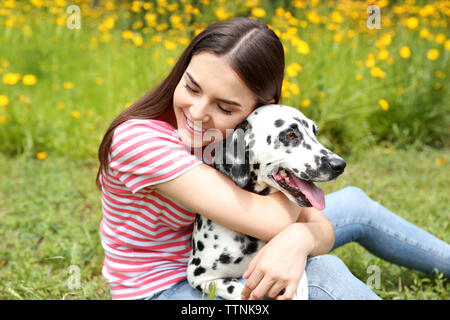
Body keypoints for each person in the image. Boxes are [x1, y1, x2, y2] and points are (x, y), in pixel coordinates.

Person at [96, 17, 449, 300]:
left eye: (224, 106)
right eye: (192, 87)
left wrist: (301, 241)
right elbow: (274, 220)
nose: (199, 113)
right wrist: (295, 235)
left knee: (353, 205)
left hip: (234, 240)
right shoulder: (139, 141)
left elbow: (319, 227)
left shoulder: (235, 136)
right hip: (171, 288)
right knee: (322, 275)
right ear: (182, 70)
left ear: (256, 113)